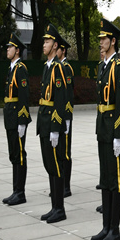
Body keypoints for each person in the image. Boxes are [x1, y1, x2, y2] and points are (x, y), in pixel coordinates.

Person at [91, 19, 120, 240]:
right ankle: (105, 226)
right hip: (102, 128)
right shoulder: (103, 66)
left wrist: (119, 134)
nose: (101, 42)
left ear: (113, 41)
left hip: (113, 128)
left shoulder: (118, 67)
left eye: (104, 39)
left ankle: (115, 229)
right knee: (105, 179)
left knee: (115, 180)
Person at [37, 24, 68, 224]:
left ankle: (60, 208)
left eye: (47, 41)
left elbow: (60, 100)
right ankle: (54, 206)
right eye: (44, 41)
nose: (44, 44)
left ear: (55, 45)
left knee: (56, 166)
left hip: (52, 125)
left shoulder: (58, 68)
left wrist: (56, 128)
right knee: (49, 165)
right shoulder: (47, 67)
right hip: (44, 123)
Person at [2, 33, 31, 206]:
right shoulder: (12, 68)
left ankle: (20, 192)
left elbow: (24, 96)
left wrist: (22, 120)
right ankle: (15, 190)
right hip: (10, 116)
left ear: (17, 50)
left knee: (19, 154)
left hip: (17, 117)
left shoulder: (21, 69)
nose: (7, 50)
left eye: (10, 47)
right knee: (14, 154)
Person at [56, 36, 74, 197]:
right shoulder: (57, 67)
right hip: (57, 115)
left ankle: (66, 186)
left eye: (58, 49)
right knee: (59, 151)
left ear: (63, 51)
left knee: (65, 152)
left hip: (65, 115)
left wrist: (67, 116)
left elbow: (68, 94)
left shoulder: (66, 68)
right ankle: (60, 185)